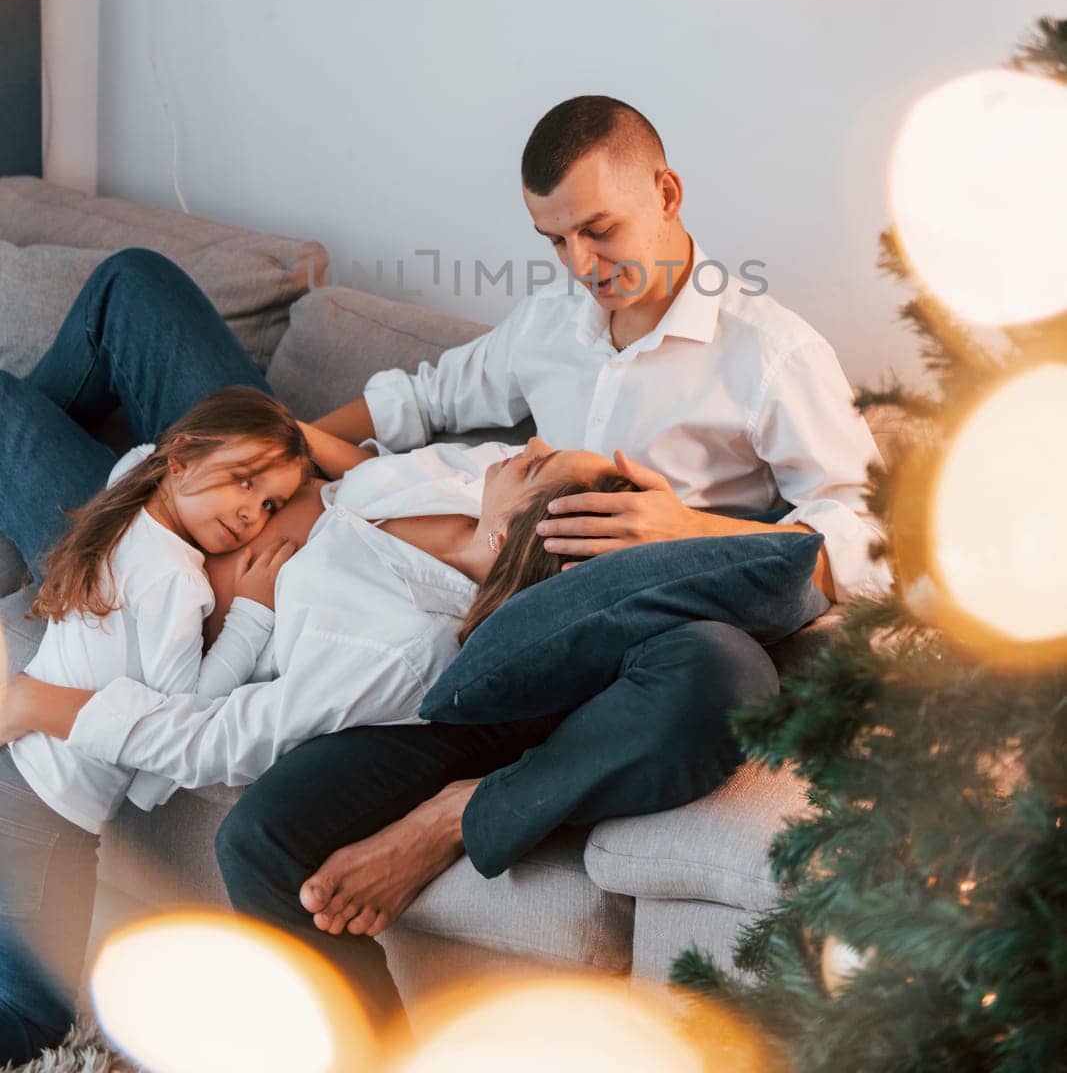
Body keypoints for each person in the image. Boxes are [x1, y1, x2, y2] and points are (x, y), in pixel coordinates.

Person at [0, 92, 886, 1033]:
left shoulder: (768, 355)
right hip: (364, 530)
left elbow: (867, 539)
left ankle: (451, 822)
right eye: (553, 240)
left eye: (598, 229)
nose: (581, 265)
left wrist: (686, 529)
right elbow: (420, 397)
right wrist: (280, 458)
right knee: (136, 287)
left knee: (716, 670)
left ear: (666, 192)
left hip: (564, 647)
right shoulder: (556, 328)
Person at [3, 435, 651, 1041]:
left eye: (536, 465)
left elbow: (223, 741)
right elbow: (349, 464)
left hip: (139, 605)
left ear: (507, 535)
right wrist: (273, 440)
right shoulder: (469, 479)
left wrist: (40, 703)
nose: (530, 443)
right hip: (169, 505)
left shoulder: (397, 646)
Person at [0, 388, 310, 1066]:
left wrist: (194, 461)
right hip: (48, 812)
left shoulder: (122, 506)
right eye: (245, 480)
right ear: (181, 461)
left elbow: (142, 454)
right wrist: (251, 615)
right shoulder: (179, 582)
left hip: (17, 774)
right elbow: (183, 718)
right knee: (34, 1014)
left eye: (270, 505)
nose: (250, 513)